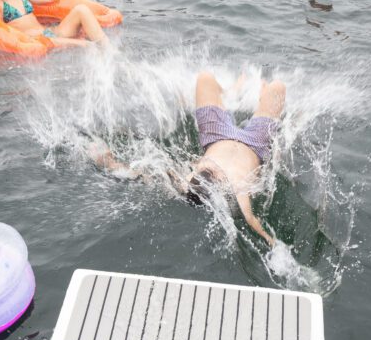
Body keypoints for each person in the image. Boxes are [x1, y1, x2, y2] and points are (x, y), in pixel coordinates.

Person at [91, 71, 285, 247]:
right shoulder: (238, 191)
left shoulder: (188, 184)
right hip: (256, 143)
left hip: (216, 134)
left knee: (205, 78)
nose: (209, 166)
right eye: (211, 172)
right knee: (278, 87)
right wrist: (272, 242)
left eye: (204, 169)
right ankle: (261, 99)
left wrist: (109, 163)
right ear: (220, 185)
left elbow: (146, 176)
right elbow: (252, 221)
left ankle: (229, 93)